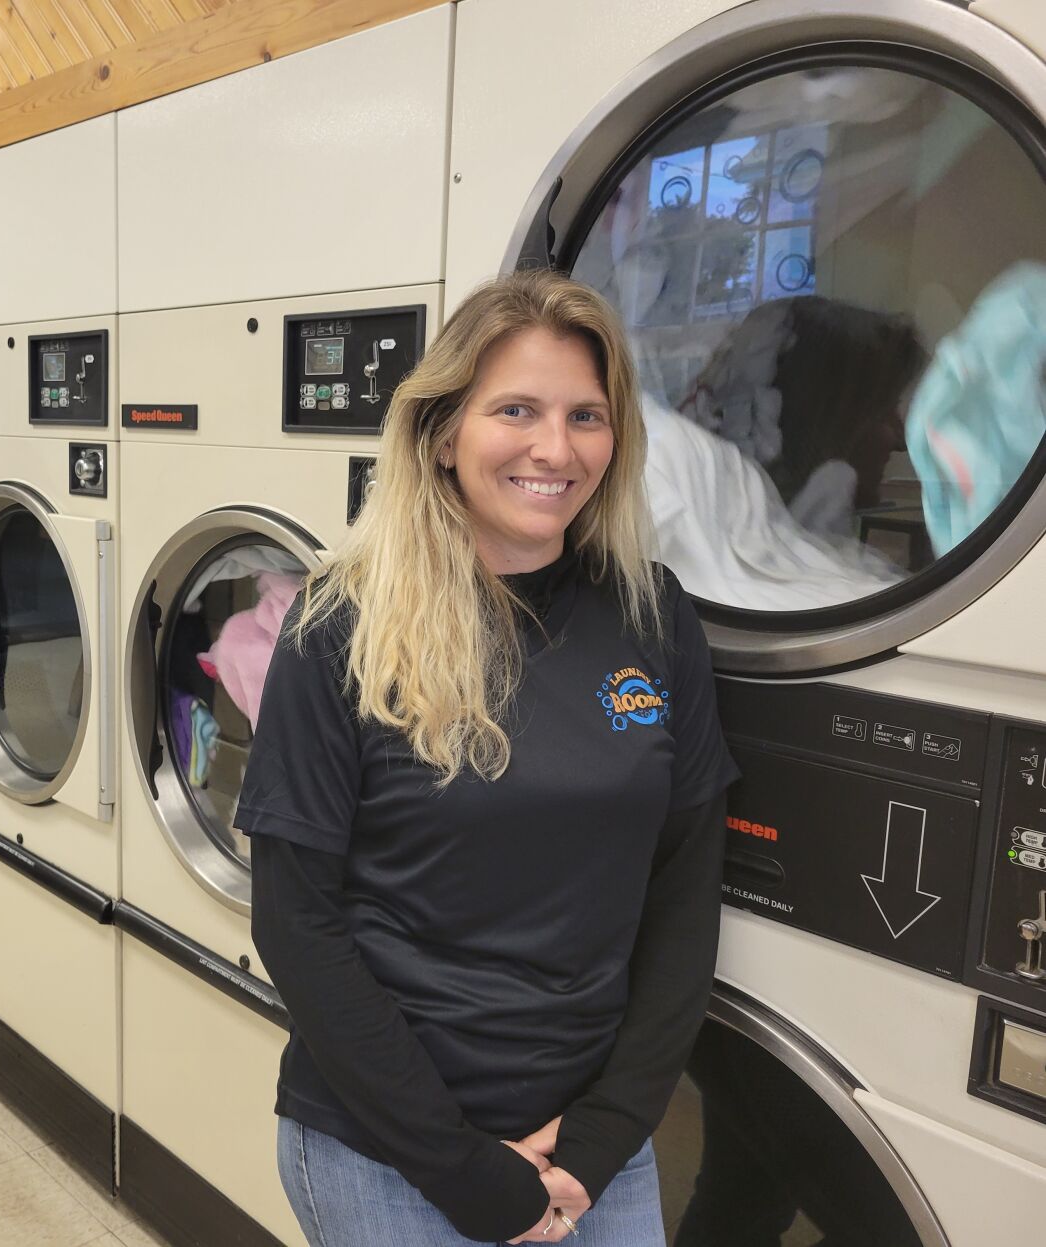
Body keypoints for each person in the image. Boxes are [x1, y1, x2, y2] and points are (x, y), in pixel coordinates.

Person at [235, 269, 740, 1246]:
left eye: (586, 415)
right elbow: (296, 920)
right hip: (389, 1144)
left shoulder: (650, 612)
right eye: (518, 409)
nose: (557, 447)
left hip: (594, 1136)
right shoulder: (342, 625)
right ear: (441, 432)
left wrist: (603, 1134)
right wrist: (461, 1167)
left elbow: (685, 886)